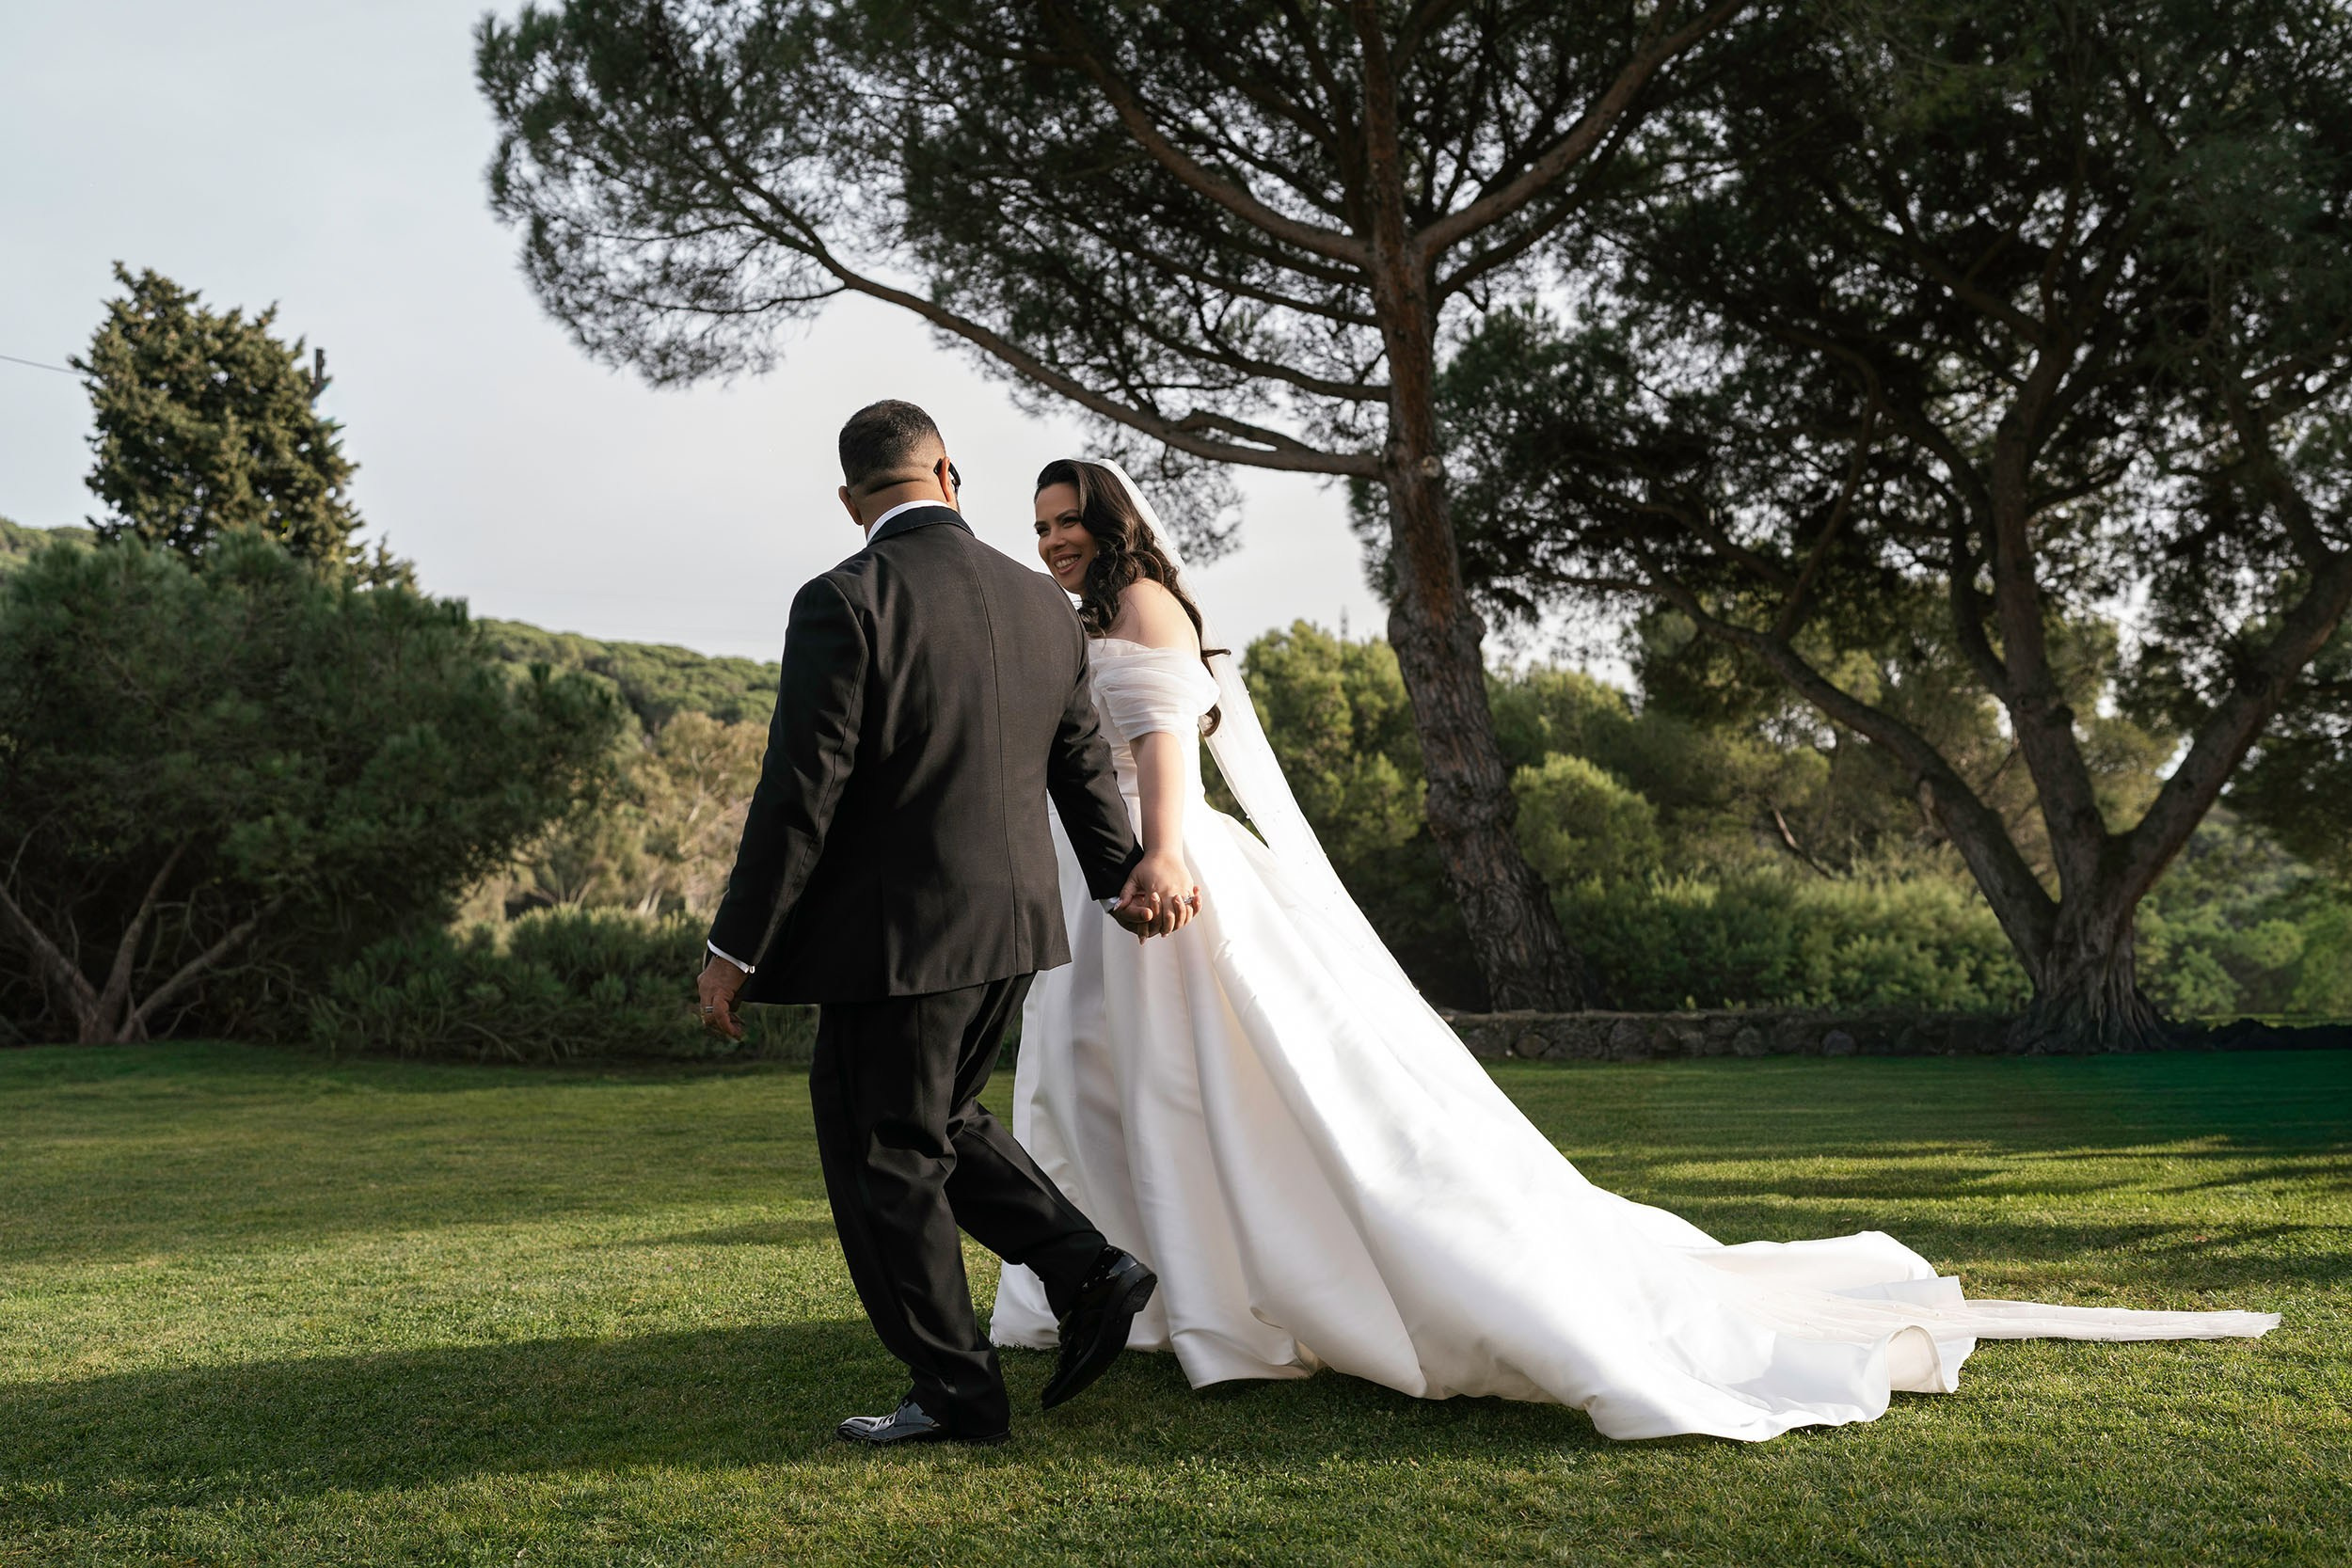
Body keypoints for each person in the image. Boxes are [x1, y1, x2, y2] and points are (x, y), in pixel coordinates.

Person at [990, 456, 2280, 1444]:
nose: (1054, 539)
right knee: (1120, 1087)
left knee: (1205, 1089)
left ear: (1117, 526)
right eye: (1040, 521)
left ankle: (1229, 1285)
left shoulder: (1144, 604)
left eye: (1070, 521)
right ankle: (1155, 1285)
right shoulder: (1079, 615)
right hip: (1099, 885)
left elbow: (1164, 751)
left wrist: (1159, 858)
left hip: (1165, 880)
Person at [694, 404, 1200, 1447]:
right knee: (940, 1122)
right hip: (1016, 926)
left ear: (850, 498)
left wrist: (734, 944)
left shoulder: (844, 597)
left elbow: (800, 789)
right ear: (949, 473)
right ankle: (1090, 1267)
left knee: (882, 1149)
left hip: (898, 941)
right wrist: (1121, 880)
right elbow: (1074, 765)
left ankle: (959, 1392)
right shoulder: (1039, 601)